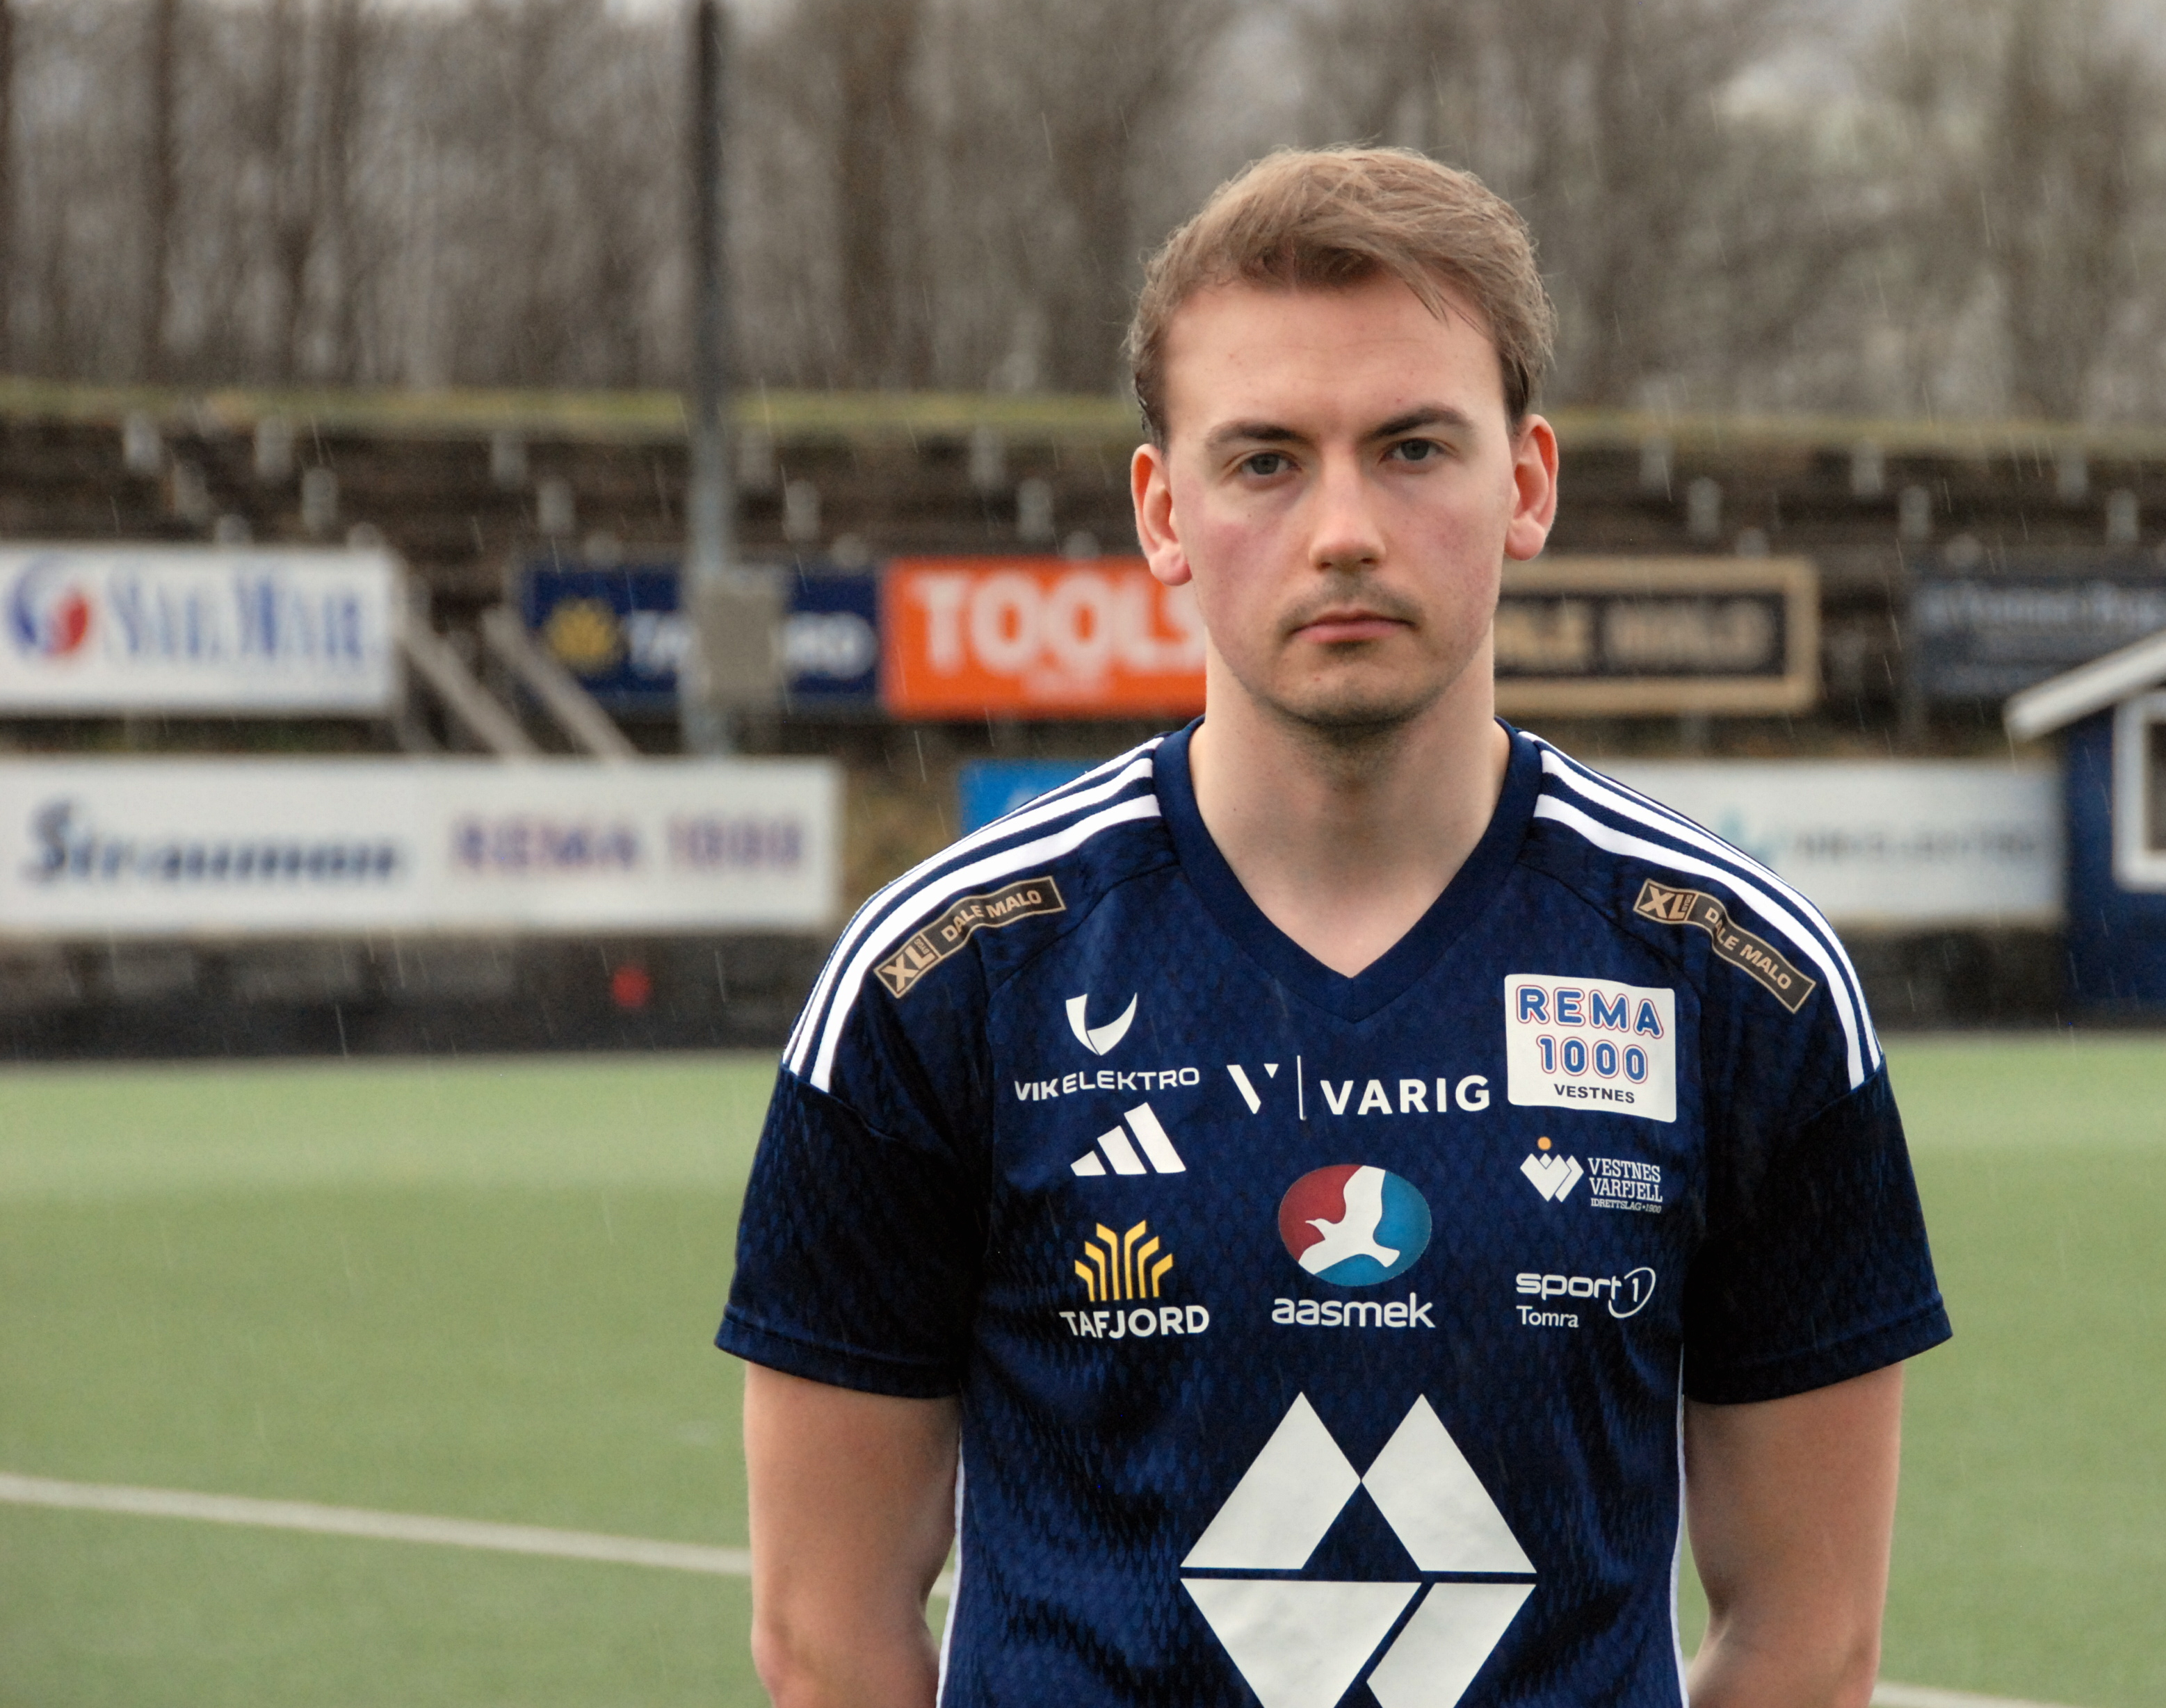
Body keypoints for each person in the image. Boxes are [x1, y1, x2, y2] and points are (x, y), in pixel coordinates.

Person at [718, 146, 1949, 1708]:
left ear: (1528, 484)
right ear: (1163, 511)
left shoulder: (1740, 983)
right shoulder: (943, 981)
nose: (1345, 529)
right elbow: (825, 1638)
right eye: (1266, 461)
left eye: (1414, 448)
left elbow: (1809, 1644)